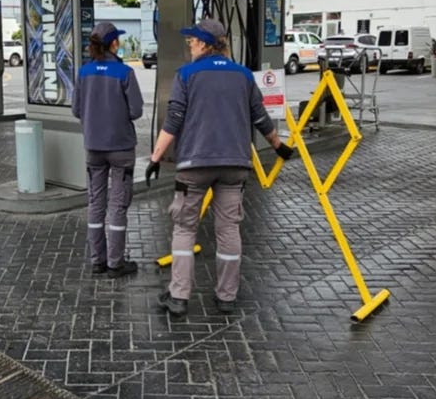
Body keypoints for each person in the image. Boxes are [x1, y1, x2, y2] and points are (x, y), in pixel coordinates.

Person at [146, 18, 291, 315]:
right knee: (228, 229)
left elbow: (173, 121)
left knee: (185, 228)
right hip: (235, 165)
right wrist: (278, 146)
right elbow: (260, 117)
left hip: (194, 165)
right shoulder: (243, 76)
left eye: (192, 41)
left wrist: (155, 158)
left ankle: (179, 296)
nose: (189, 46)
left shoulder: (186, 75)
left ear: (204, 43)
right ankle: (226, 297)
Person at [71, 22, 144, 278]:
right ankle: (115, 263)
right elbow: (136, 111)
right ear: (114, 44)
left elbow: (76, 110)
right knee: (117, 205)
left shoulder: (83, 73)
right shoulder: (124, 73)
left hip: (93, 147)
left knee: (95, 202)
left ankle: (97, 260)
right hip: (121, 147)